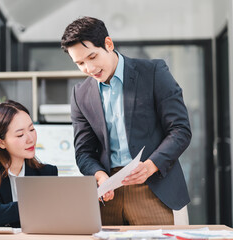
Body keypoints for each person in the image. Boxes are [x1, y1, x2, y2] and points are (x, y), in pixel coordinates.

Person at [61, 16, 191, 225]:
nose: (89, 68)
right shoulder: (80, 94)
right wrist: (100, 176)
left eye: (92, 57)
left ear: (108, 44)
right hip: (108, 194)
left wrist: (150, 166)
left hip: (153, 185)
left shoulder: (154, 72)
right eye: (80, 63)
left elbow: (180, 130)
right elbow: (84, 152)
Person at [0, 100, 58, 227]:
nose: (30, 139)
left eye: (32, 129)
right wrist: (34, 205)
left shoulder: (47, 173)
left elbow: (52, 219)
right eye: (20, 135)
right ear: (1, 142)